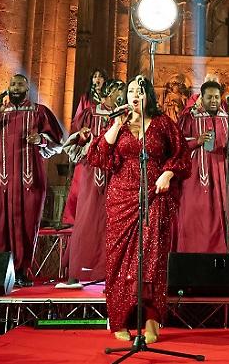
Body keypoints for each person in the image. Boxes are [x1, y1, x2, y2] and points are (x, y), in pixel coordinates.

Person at [88, 75, 189, 344]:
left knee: (152, 258)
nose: (135, 95)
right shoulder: (118, 125)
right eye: (131, 91)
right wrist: (116, 124)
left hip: (156, 195)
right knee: (120, 259)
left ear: (149, 96)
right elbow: (97, 157)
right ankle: (120, 318)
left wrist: (168, 173)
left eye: (140, 91)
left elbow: (182, 155)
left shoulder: (163, 123)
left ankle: (151, 319)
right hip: (122, 197)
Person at [0, 73, 64, 286]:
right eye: (12, 84)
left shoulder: (39, 112)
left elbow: (58, 141)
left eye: (20, 84)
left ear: (27, 87)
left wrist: (40, 139)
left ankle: (21, 270)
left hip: (29, 181)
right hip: (2, 180)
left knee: (26, 226)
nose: (16, 87)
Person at [58, 78, 125, 288]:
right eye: (118, 92)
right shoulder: (90, 113)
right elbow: (75, 139)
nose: (120, 97)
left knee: (112, 221)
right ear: (108, 92)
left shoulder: (124, 116)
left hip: (115, 174)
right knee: (87, 218)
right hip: (91, 171)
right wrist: (82, 136)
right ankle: (77, 271)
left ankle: (108, 271)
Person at [176, 79, 229, 253]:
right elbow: (177, 144)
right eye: (209, 97)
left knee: (221, 213)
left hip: (222, 170)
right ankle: (193, 256)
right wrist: (197, 141)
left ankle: (219, 256)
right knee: (195, 213)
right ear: (202, 98)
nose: (213, 101)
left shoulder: (227, 117)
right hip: (196, 172)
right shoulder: (190, 117)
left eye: (216, 97)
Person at [62, 69, 107, 226]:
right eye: (95, 76)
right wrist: (82, 135)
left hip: (106, 147)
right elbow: (77, 121)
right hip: (88, 145)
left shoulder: (110, 100)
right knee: (81, 182)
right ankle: (76, 218)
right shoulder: (86, 99)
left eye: (100, 76)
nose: (97, 79)